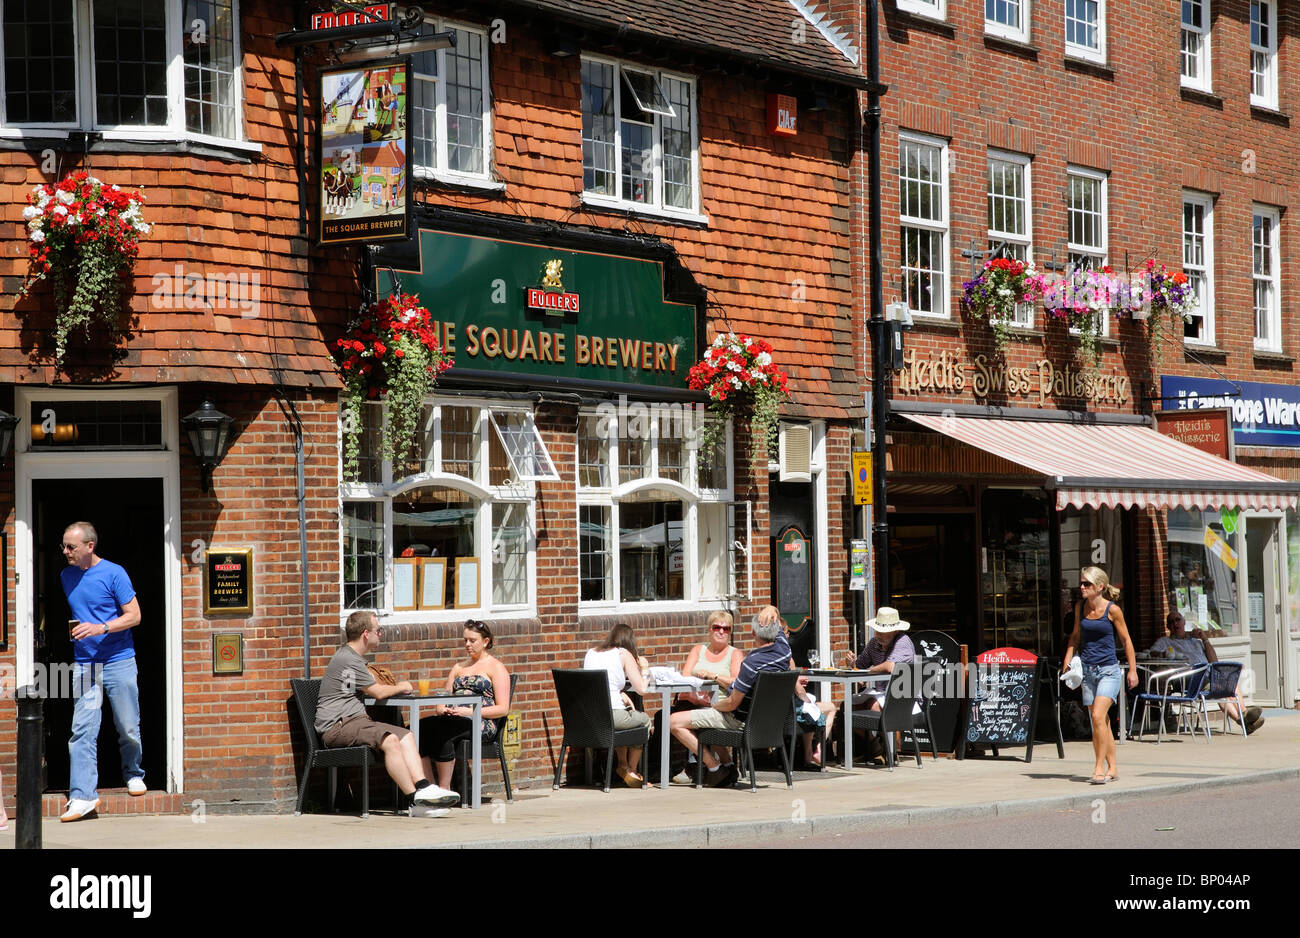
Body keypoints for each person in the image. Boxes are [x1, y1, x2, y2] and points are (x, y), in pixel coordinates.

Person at [315, 610, 460, 816]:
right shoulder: (349, 659)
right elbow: (378, 691)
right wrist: (401, 686)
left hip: (355, 722)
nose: (380, 634)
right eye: (378, 630)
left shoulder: (351, 658)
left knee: (406, 736)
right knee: (390, 740)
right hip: (337, 726)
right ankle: (415, 803)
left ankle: (424, 787)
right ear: (366, 634)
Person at [60, 522, 145, 822]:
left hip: (119, 659)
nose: (66, 552)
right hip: (85, 662)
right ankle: (82, 796)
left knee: (127, 725)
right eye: (63, 546)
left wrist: (101, 627)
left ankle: (133, 772)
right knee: (82, 729)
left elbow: (134, 615)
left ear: (90, 546)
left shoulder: (114, 573)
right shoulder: (66, 576)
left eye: (71, 547)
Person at [669, 605, 792, 788]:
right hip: (768, 724)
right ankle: (729, 767)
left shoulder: (751, 663)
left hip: (740, 721)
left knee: (673, 721)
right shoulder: (784, 652)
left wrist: (715, 707)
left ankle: (714, 768)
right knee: (706, 721)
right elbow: (777, 625)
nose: (721, 631)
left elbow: (733, 703)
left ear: (753, 634)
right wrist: (772, 608)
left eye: (725, 628)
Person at [1062, 566, 1138, 785]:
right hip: (1087, 670)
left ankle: (1098, 768)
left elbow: (1126, 641)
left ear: (1100, 587)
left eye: (1087, 584)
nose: (1082, 587)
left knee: (1097, 717)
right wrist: (1067, 660)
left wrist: (1132, 670)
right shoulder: (1080, 607)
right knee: (1100, 722)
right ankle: (1112, 768)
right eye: (1082, 583)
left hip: (1109, 671)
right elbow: (1075, 637)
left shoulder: (1112, 610)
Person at [418, 620, 512, 789]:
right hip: (454, 718)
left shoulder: (496, 667)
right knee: (418, 728)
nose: (467, 644)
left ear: (486, 641)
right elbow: (444, 697)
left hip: (481, 722)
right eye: (465, 640)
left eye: (472, 640)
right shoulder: (458, 667)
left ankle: (444, 789)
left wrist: (469, 713)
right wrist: (442, 708)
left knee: (444, 731)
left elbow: (503, 708)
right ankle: (428, 787)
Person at [655, 610, 745, 780]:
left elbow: (736, 682)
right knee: (665, 716)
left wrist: (713, 676)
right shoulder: (698, 650)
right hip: (694, 700)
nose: (721, 631)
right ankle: (722, 765)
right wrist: (697, 678)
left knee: (675, 718)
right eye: (717, 627)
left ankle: (704, 766)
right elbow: (685, 676)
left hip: (720, 704)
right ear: (709, 630)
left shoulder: (735, 654)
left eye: (726, 629)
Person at [1148, 611, 1263, 734]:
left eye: (1177, 620)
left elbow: (1214, 661)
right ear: (1168, 627)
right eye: (1171, 622)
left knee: (1230, 684)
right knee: (1221, 690)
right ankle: (1244, 718)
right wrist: (1164, 653)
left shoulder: (1195, 641)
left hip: (1207, 676)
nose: (1175, 624)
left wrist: (1204, 639)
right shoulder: (1165, 641)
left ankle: (1244, 717)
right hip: (1187, 679)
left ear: (1184, 622)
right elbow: (1152, 653)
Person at [830, 605, 916, 765]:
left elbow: (890, 667)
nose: (879, 635)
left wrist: (868, 672)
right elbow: (859, 667)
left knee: (872, 705)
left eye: (883, 632)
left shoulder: (903, 642)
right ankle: (875, 747)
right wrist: (852, 663)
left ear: (895, 631)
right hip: (881, 694)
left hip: (904, 697)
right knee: (846, 707)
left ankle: (889, 750)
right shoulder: (874, 644)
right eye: (877, 631)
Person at [583, 623, 652, 788]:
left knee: (627, 713)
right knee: (644, 720)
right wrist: (645, 669)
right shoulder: (624, 653)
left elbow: (601, 682)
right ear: (630, 642)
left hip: (589, 718)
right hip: (612, 716)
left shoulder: (591, 652)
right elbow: (641, 689)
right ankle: (632, 772)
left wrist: (620, 692)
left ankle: (622, 764)